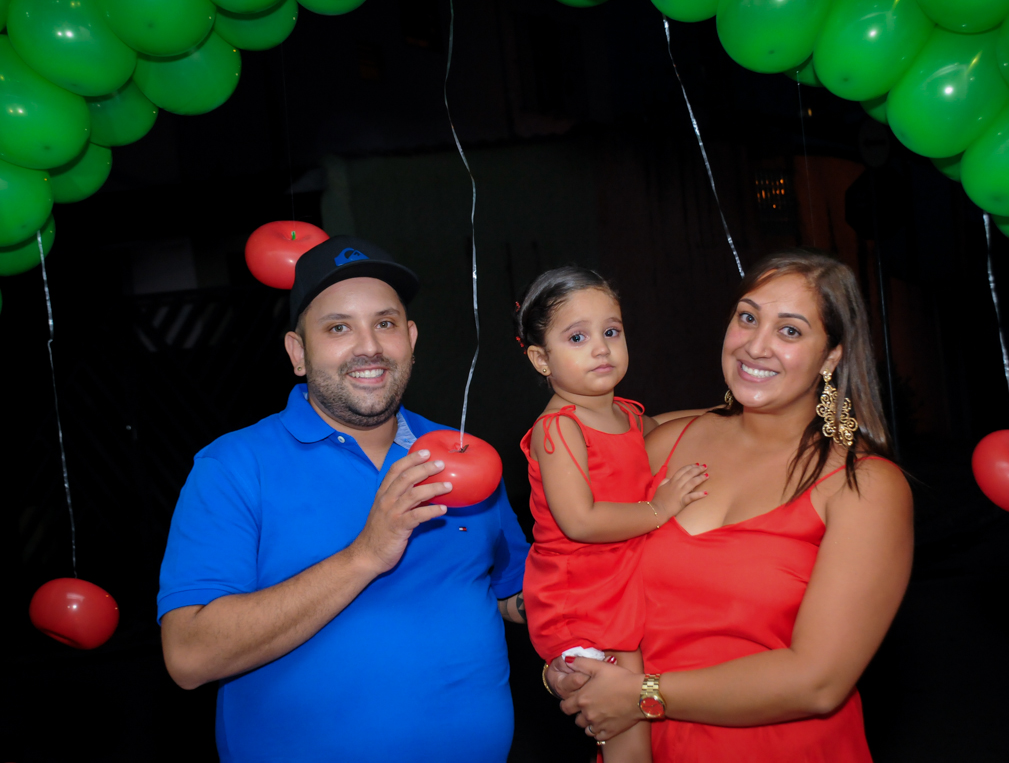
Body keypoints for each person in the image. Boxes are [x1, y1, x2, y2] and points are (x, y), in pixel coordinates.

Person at [157, 236, 531, 763]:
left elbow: (512, 596)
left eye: (385, 323)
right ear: (297, 353)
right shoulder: (233, 468)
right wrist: (366, 555)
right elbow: (189, 655)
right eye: (338, 327)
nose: (369, 347)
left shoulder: (467, 455)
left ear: (411, 337)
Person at [548, 249, 914, 762]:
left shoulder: (864, 485)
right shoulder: (661, 443)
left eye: (790, 331)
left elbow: (818, 681)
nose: (755, 346)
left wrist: (642, 695)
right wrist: (568, 662)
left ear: (832, 356)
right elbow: (585, 567)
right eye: (747, 318)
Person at [516, 267, 709, 763]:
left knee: (642, 705)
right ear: (541, 359)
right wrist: (659, 508)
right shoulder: (558, 429)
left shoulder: (622, 412)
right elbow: (579, 521)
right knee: (627, 724)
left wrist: (730, 416)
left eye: (611, 331)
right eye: (577, 337)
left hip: (619, 581)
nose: (600, 347)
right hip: (582, 594)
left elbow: (657, 425)